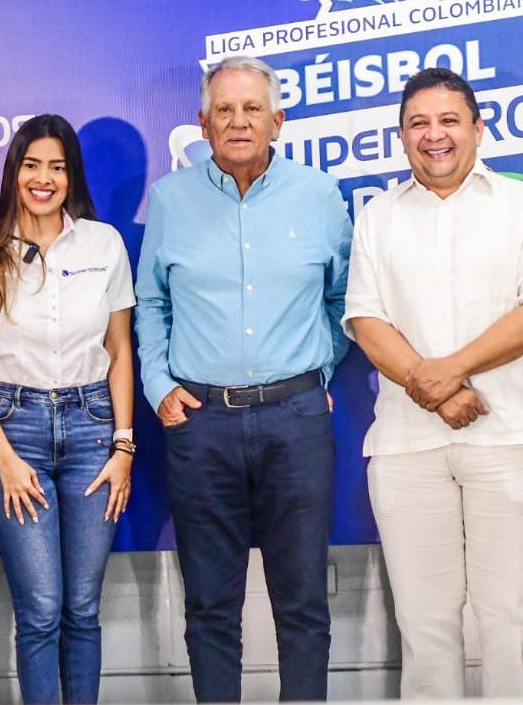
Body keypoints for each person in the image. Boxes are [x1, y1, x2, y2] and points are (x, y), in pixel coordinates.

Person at [343, 67, 523, 698]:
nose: (434, 135)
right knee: (424, 623)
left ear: (477, 129)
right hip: (406, 447)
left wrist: (450, 370)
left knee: (509, 621)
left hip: (507, 437)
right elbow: (365, 318)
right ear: (401, 136)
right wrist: (435, 387)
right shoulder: (378, 217)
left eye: (448, 121)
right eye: (418, 124)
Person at [134, 55, 352, 702]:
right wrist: (156, 385)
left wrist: (321, 366)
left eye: (250, 108)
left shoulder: (317, 195)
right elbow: (151, 303)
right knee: (209, 605)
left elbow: (344, 300)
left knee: (304, 602)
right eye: (223, 110)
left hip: (297, 420)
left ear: (276, 119)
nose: (236, 121)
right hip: (202, 425)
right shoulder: (170, 199)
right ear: (202, 121)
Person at [0, 114, 136, 704]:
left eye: (57, 166)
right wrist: (2, 456)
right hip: (14, 431)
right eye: (32, 165)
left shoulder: (102, 244)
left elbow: (119, 349)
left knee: (82, 607)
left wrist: (124, 443)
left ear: (71, 175)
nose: (44, 178)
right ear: (14, 172)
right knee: (41, 609)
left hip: (91, 430)